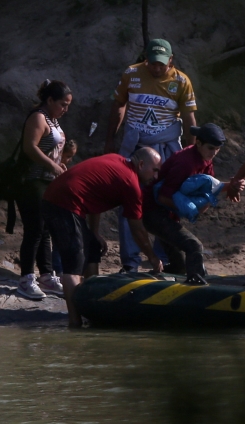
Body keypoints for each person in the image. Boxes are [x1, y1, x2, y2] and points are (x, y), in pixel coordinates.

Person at [41, 148, 165, 327]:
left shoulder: (117, 160)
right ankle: (75, 323)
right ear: (141, 165)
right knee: (74, 266)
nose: (156, 176)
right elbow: (137, 229)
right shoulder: (131, 183)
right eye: (155, 170)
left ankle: (93, 312)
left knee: (92, 248)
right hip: (63, 203)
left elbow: (94, 194)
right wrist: (152, 257)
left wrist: (94, 232)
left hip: (62, 198)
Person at [104, 39, 197, 272]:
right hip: (135, 147)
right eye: (152, 63)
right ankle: (130, 262)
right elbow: (118, 105)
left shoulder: (181, 81)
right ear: (146, 59)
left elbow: (189, 119)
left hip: (166, 148)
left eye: (161, 64)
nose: (156, 68)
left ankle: (163, 257)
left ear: (171, 60)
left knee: (165, 200)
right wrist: (110, 139)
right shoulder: (131, 74)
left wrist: (191, 152)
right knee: (129, 200)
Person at [142, 123, 232, 285]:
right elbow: (162, 197)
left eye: (217, 149)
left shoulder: (205, 159)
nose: (214, 153)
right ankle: (197, 287)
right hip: (153, 213)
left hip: (168, 215)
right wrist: (188, 208)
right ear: (198, 143)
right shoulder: (186, 163)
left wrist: (229, 188)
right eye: (211, 148)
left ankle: (154, 283)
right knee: (193, 245)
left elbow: (207, 193)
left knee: (180, 265)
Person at [13, 81, 72, 301]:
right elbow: (30, 147)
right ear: (50, 100)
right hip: (31, 181)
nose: (65, 109)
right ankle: (26, 279)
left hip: (47, 182)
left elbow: (51, 149)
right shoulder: (38, 117)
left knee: (45, 229)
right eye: (63, 104)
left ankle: (47, 275)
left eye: (68, 105)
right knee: (34, 230)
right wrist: (52, 165)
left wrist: (58, 164)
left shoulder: (53, 120)